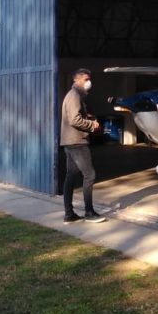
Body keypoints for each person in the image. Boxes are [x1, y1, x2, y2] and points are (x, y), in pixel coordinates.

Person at [59, 68, 106, 224]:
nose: (89, 82)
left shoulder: (74, 95)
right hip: (77, 141)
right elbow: (74, 120)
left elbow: (75, 116)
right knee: (89, 175)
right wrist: (92, 124)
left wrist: (87, 117)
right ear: (76, 80)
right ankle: (89, 212)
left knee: (71, 175)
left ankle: (69, 214)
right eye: (86, 79)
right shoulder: (74, 96)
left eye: (89, 79)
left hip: (69, 141)